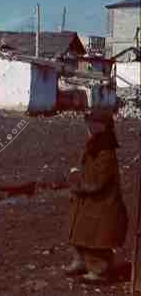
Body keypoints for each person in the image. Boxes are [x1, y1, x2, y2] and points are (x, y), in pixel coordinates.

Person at [65, 109, 128, 283]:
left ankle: (99, 271)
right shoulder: (96, 144)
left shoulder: (105, 149)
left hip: (102, 203)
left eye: (91, 124)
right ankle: (81, 261)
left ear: (99, 127)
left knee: (96, 237)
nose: (88, 128)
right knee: (79, 229)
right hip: (89, 200)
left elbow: (98, 182)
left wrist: (78, 183)